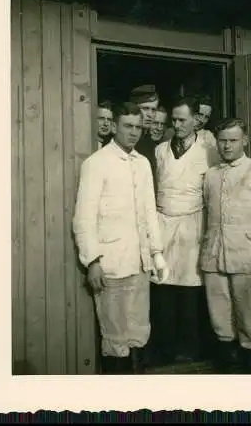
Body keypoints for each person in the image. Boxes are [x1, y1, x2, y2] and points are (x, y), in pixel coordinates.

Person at [73, 102, 169, 375]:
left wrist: (157, 252)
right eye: (128, 126)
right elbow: (84, 217)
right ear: (114, 126)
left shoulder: (142, 164)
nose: (134, 132)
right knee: (114, 334)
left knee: (138, 328)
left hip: (141, 262)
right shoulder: (97, 163)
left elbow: (150, 211)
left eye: (139, 127)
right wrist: (92, 261)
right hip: (111, 264)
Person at [200, 118, 251, 374]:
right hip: (214, 260)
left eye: (233, 140)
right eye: (222, 140)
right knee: (221, 325)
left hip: (248, 260)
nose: (227, 146)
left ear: (244, 140)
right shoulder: (211, 175)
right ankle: (230, 381)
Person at [149, 96, 210, 365]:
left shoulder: (208, 151)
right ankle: (164, 348)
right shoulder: (160, 150)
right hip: (163, 222)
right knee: (162, 288)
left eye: (182, 120)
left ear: (195, 120)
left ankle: (190, 350)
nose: (176, 124)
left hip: (192, 224)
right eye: (174, 120)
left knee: (189, 290)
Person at [129, 85, 159, 192]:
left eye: (153, 110)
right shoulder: (129, 140)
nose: (150, 114)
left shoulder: (149, 142)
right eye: (145, 109)